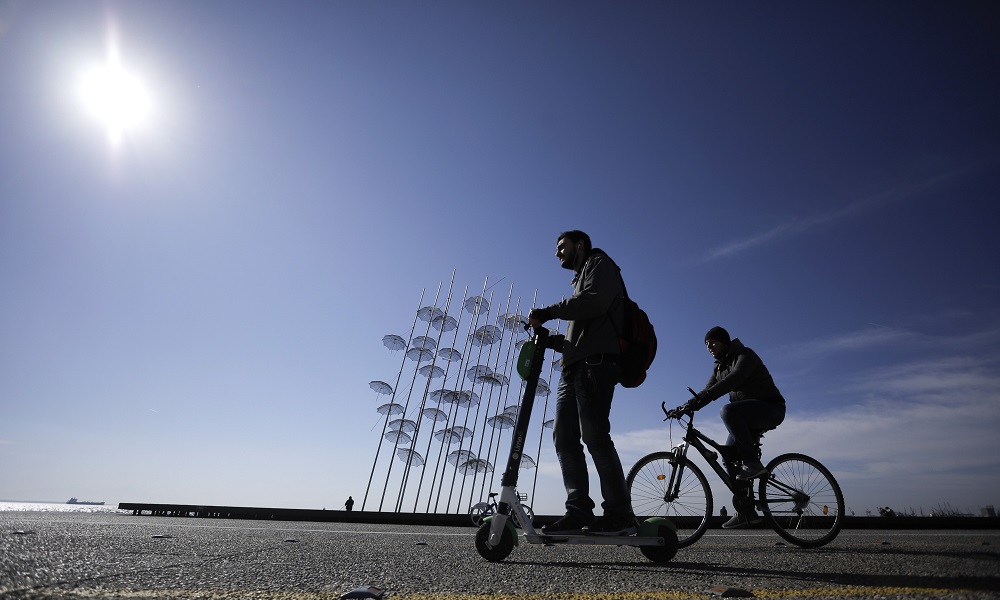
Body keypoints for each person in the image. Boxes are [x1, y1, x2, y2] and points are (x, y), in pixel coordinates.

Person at [527, 230, 637, 536]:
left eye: (562, 247)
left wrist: (549, 312)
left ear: (580, 244)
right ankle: (578, 511)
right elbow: (583, 331)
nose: (557, 253)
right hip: (573, 368)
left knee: (595, 438)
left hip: (596, 365)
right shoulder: (581, 278)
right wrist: (556, 342)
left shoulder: (600, 263)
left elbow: (594, 303)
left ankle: (620, 514)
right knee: (564, 437)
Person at [675, 326, 785, 529]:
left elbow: (737, 377)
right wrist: (686, 406)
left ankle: (752, 464)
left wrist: (707, 397)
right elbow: (707, 390)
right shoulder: (718, 367)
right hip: (746, 418)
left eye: (712, 343)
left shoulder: (745, 354)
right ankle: (746, 512)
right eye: (706, 345)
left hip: (770, 408)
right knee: (728, 457)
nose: (709, 347)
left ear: (724, 341)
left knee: (728, 411)